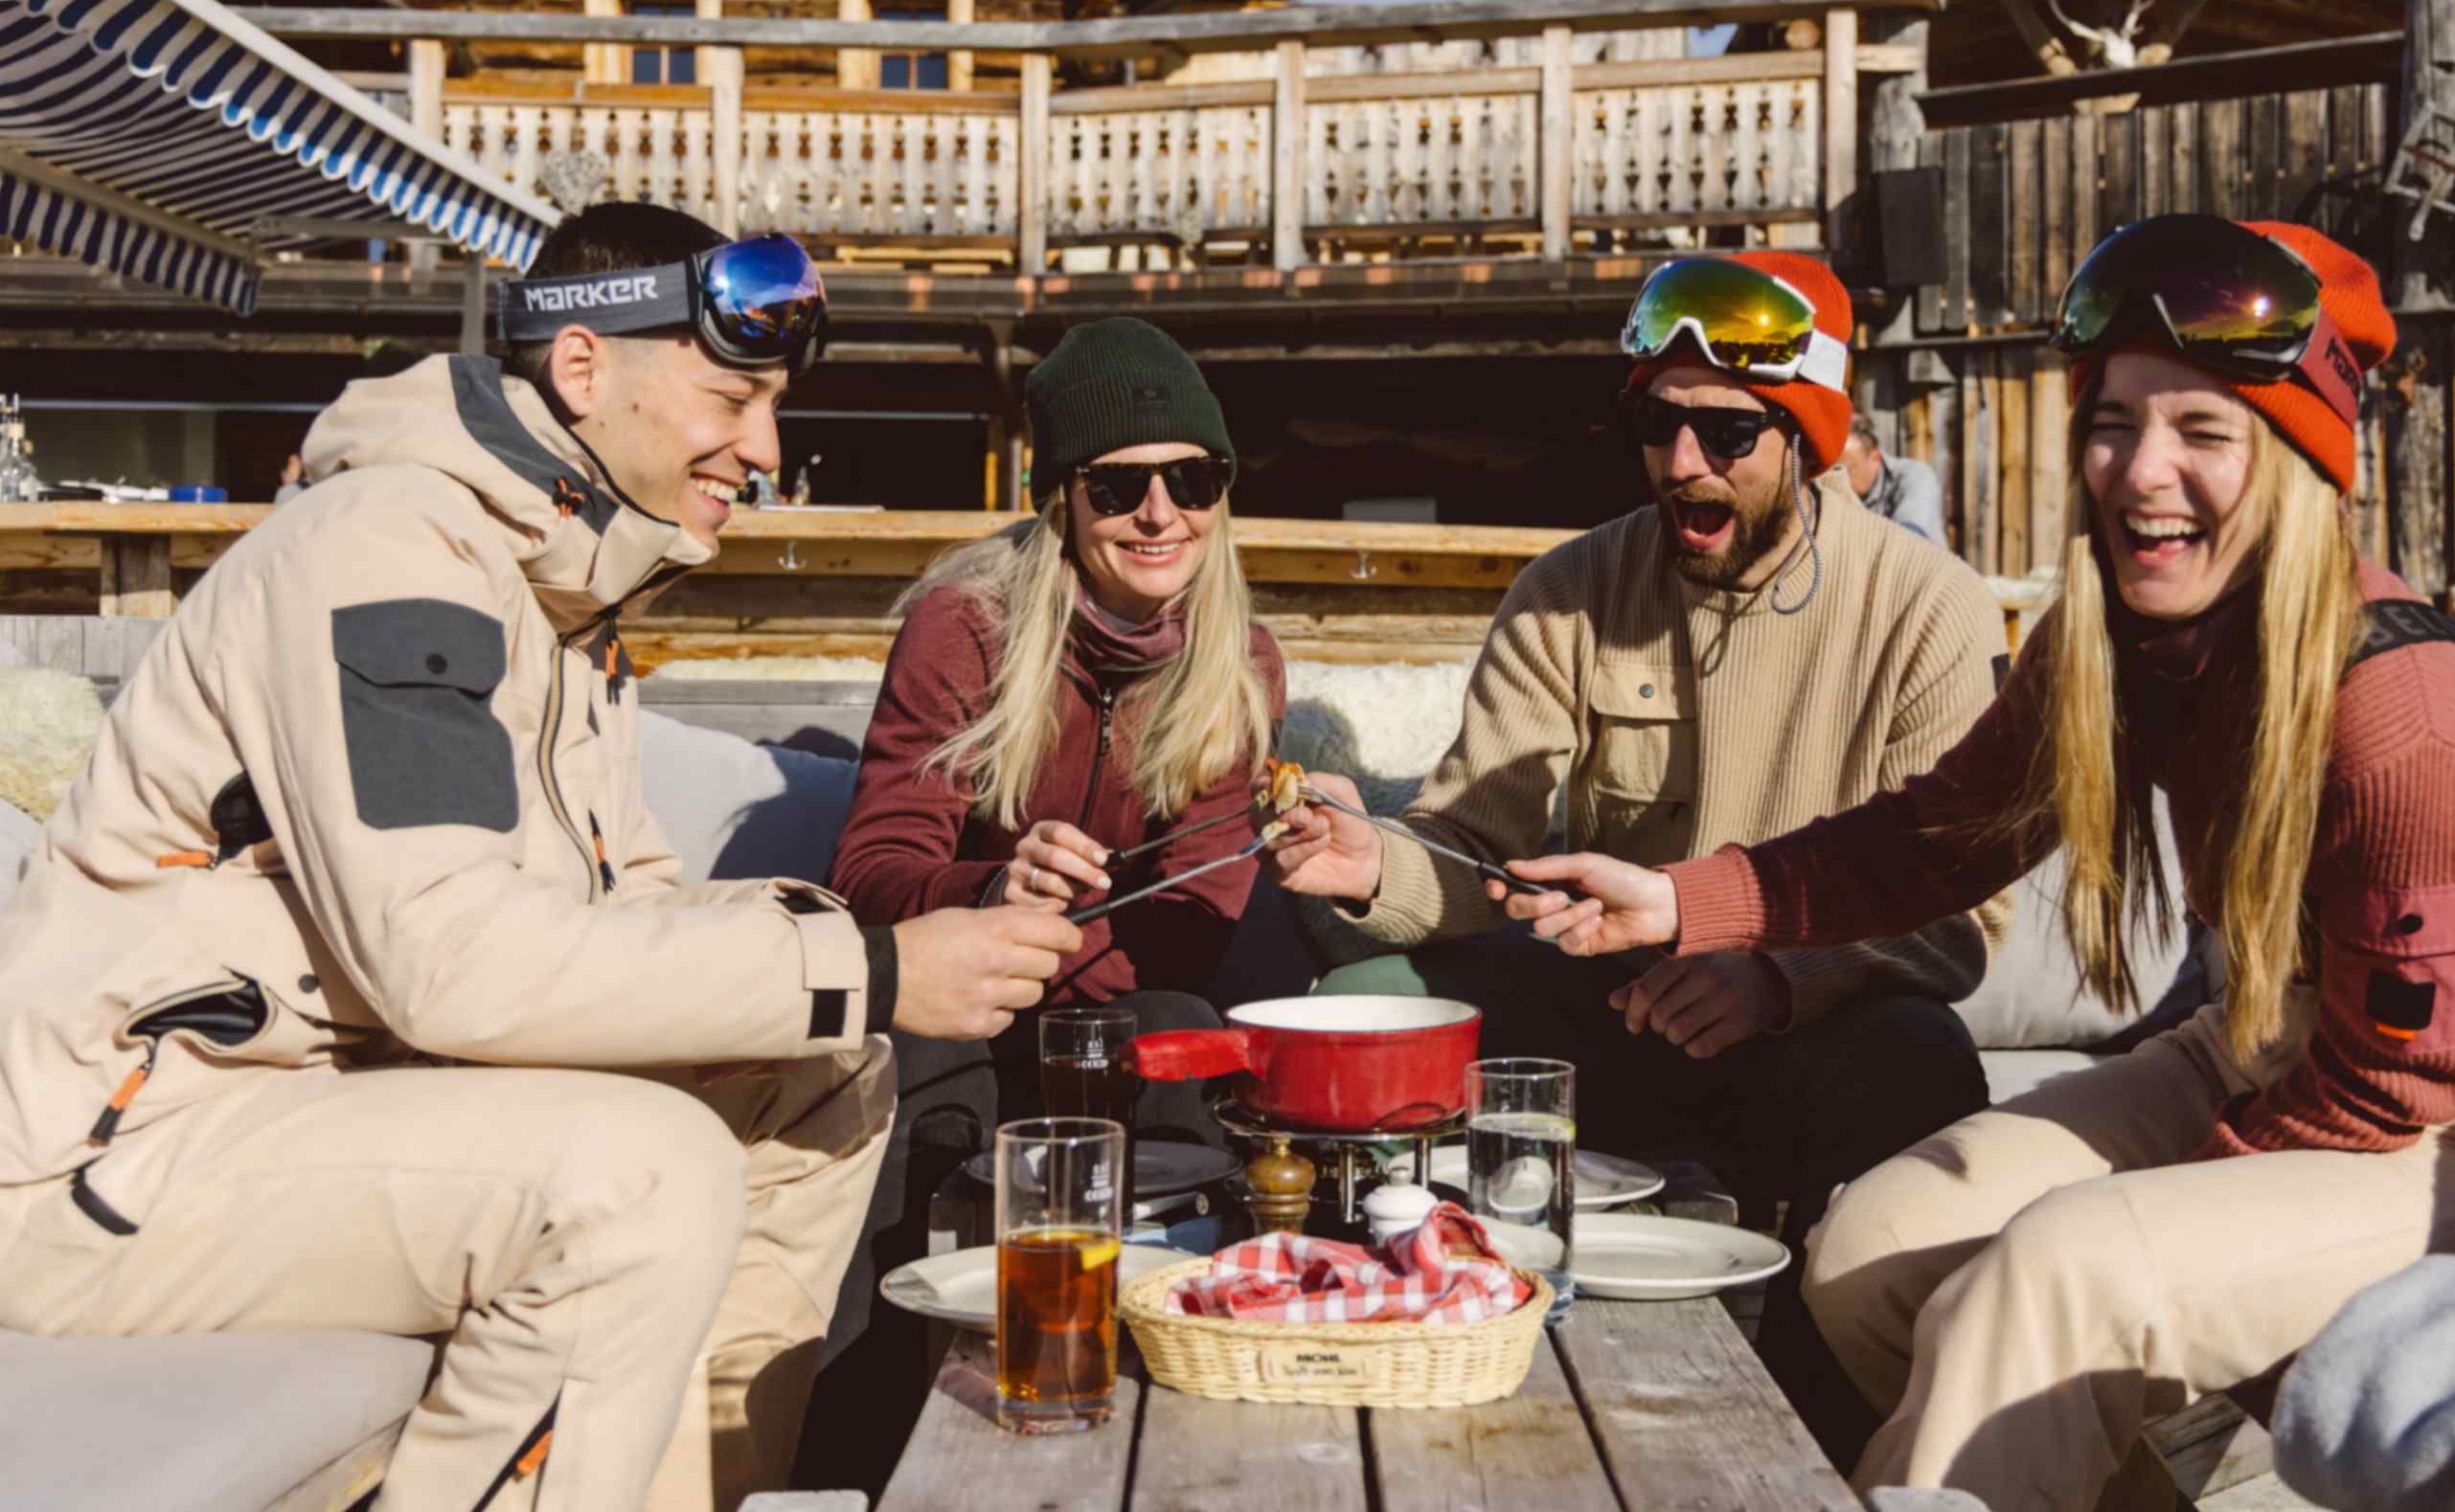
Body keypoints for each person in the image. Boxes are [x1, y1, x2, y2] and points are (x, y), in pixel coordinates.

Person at [1497, 215, 2455, 1508]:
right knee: (1864, 1250)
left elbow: (2392, 1084)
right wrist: (1678, 901)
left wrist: (2153, 1213)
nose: (2141, 471)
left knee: (2053, 1272)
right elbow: (1928, 841)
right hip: (2257, 1042)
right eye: (2110, 422)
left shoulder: (2400, 720)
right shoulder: (2119, 641)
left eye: (2203, 430)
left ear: (2298, 459)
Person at [0, 202, 1082, 1512]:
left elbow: (622, 914)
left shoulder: (562, 608)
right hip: (104, 1161)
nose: (765, 448)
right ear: (583, 370)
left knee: (818, 1072)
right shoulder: (391, 554)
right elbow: (450, 965)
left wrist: (870, 951)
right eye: (733, 396)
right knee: (636, 1176)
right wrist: (865, 962)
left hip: (312, 1102)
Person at [1269, 251, 2006, 1457]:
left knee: (1922, 1063)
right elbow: (1473, 845)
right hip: (1614, 1010)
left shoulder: (1933, 610)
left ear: (1808, 437)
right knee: (1368, 1004)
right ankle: (1384, 1359)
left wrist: (1775, 975)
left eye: (1729, 432)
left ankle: (1813, 1448)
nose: (1685, 466)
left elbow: (1964, 914)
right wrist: (1376, 870)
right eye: (1659, 426)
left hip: (1819, 1021)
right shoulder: (1571, 587)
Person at [834, 315, 1285, 1146]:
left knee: (1178, 1029)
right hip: (959, 989)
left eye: (1193, 478)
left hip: (1121, 1004)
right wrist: (993, 891)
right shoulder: (966, 627)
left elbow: (1191, 921)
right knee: (920, 1054)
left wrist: (1051, 951)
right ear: (1062, 498)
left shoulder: (1241, 664)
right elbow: (870, 877)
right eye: (1117, 486)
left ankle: (1176, 1273)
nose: (1160, 515)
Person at [1839, 412, 1944, 543]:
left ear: (1875, 458)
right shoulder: (1832, 489)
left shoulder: (1916, 477)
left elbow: (1908, 539)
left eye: (1846, 470)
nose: (1839, 479)